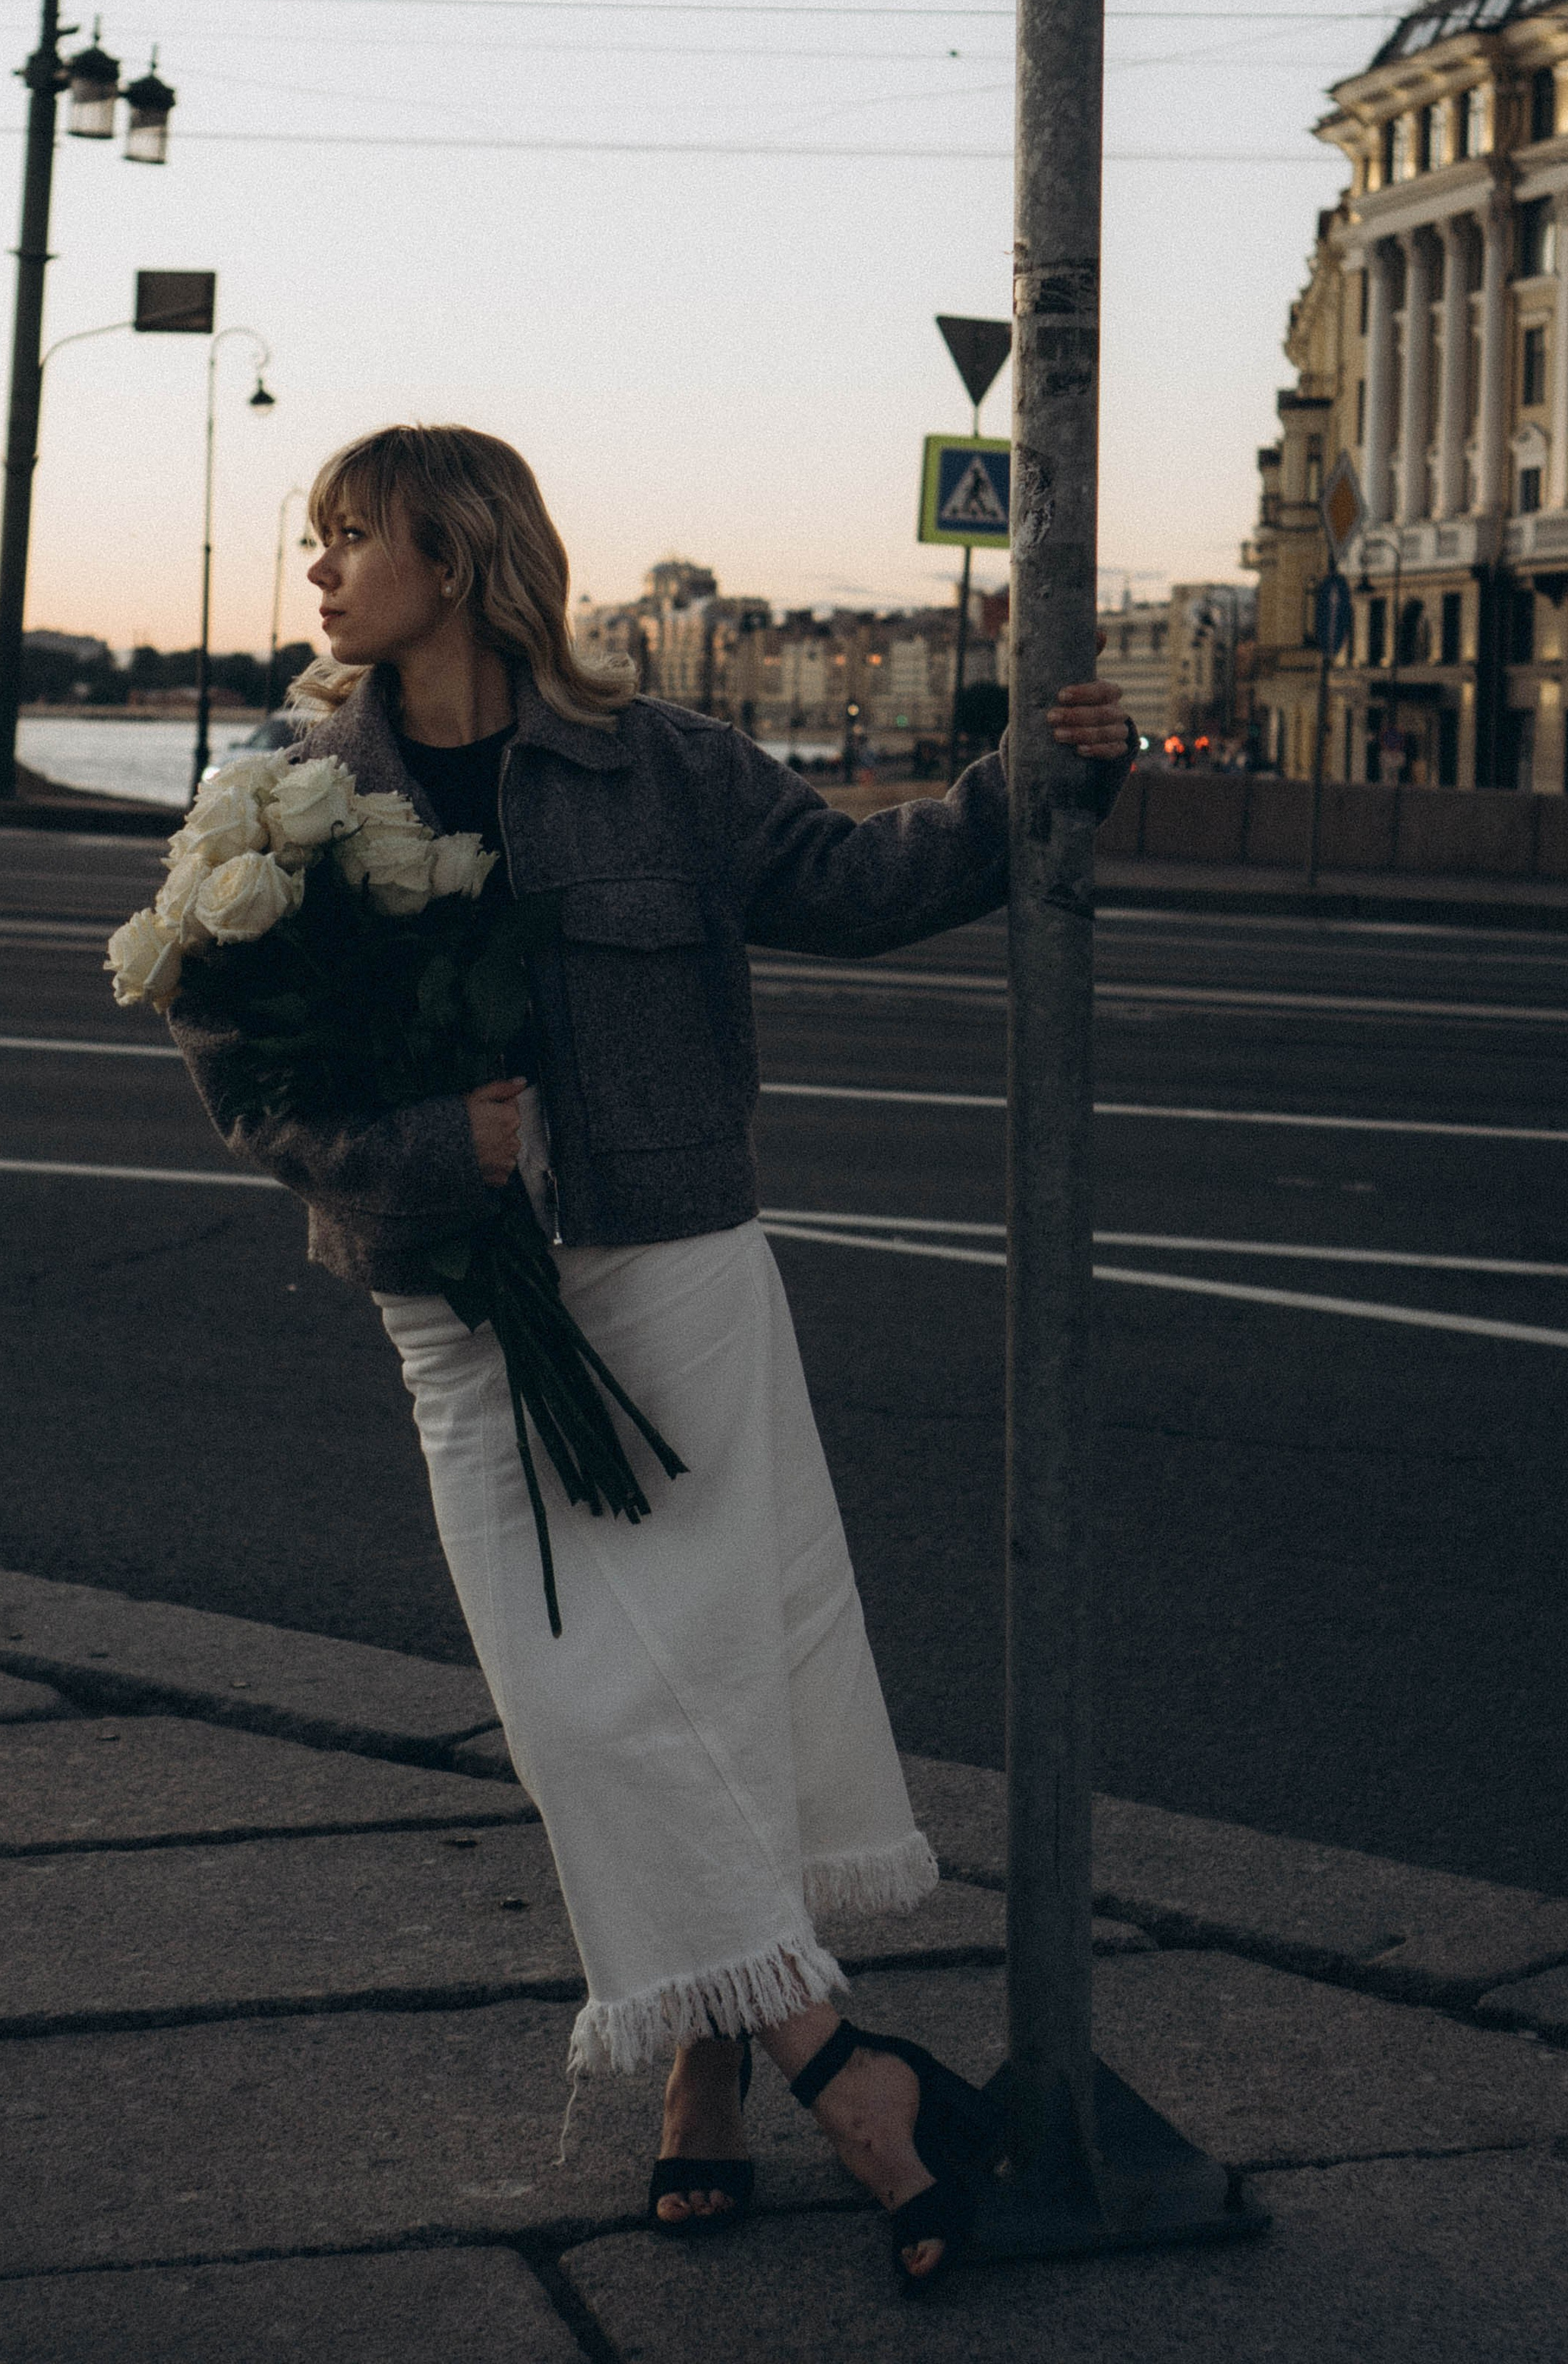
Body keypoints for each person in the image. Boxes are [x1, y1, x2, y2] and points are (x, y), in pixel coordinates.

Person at [169, 424, 1134, 2293]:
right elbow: (244, 1078)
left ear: (452, 557)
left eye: (349, 536)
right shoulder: (278, 792)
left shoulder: (659, 767)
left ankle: (705, 2071)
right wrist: (438, 1156)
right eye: (318, 540)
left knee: (717, 1684)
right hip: (453, 1291)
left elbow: (860, 889)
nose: (320, 571)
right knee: (578, 1705)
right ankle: (841, 2071)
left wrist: (1039, 780)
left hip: (674, 1266)